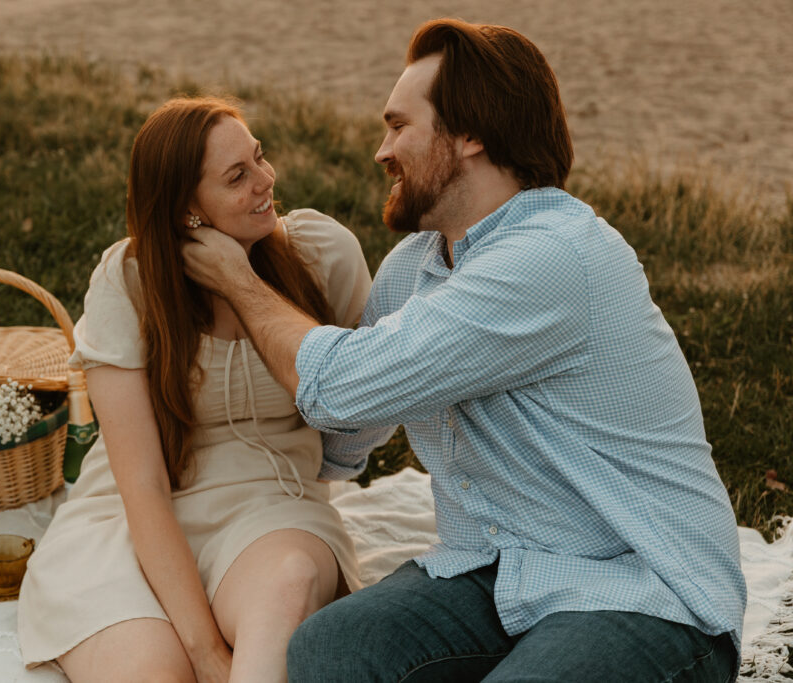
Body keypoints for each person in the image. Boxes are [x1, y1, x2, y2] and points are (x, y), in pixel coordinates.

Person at [181, 18, 746, 683]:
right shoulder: (412, 269)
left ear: (469, 134)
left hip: (644, 591)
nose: (381, 150)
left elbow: (342, 384)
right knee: (329, 648)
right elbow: (348, 431)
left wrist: (239, 283)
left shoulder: (551, 257)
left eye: (398, 125)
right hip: (497, 570)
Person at [16, 96, 372, 682]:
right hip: (133, 515)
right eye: (238, 177)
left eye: (259, 158)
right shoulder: (127, 284)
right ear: (188, 210)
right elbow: (144, 487)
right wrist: (206, 653)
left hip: (273, 506)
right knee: (155, 672)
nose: (266, 181)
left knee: (289, 584)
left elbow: (364, 396)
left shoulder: (322, 255)